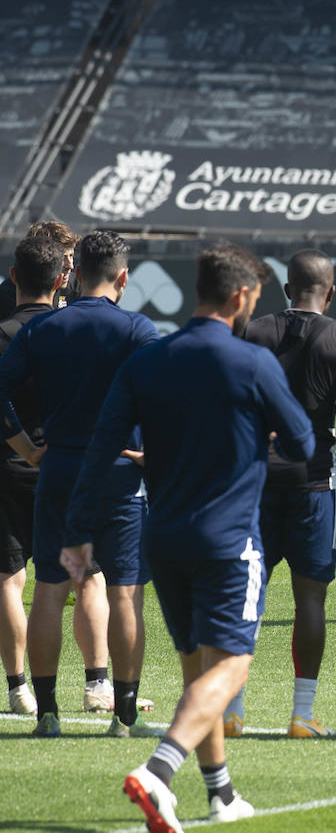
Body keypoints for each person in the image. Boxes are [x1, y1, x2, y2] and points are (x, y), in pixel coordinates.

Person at [68, 243, 312, 831]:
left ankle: (221, 794)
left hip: (164, 536)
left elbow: (101, 447)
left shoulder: (149, 359)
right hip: (227, 541)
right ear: (240, 296)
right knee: (232, 668)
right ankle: (159, 769)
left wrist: (76, 530)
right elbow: (304, 443)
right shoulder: (251, 362)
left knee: (196, 672)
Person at [0, 231, 160, 738]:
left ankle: (46, 714)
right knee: (123, 592)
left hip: (59, 470)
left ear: (77, 272)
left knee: (48, 589)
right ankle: (122, 716)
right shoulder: (137, 328)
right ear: (123, 276)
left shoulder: (42, 329)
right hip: (115, 474)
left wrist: (25, 447)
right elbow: (172, 393)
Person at [220, 249, 336, 739]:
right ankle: (302, 715)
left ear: (288, 289)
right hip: (315, 482)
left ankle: (231, 709)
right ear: (330, 293)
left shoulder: (253, 330)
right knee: (310, 599)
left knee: (245, 594)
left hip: (255, 483)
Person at [0, 237, 105, 717]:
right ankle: (97, 685)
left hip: (8, 467)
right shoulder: (73, 331)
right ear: (63, 278)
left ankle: (20, 690)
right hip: (65, 464)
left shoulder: (4, 333)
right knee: (85, 578)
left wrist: (21, 445)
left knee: (11, 581)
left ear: (14, 276)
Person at [0, 219, 79, 320]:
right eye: (63, 257)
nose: (70, 265)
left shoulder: (77, 286)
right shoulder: (8, 293)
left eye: (71, 256)